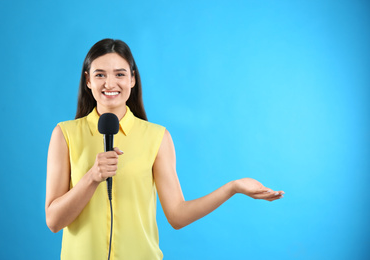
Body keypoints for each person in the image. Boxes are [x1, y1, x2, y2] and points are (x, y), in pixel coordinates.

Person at [45, 38, 284, 260]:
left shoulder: (157, 137)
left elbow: (177, 215)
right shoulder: (64, 135)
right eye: (100, 75)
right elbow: (54, 221)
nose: (110, 83)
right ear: (88, 80)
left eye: (120, 74)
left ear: (132, 79)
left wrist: (233, 187)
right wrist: (91, 177)